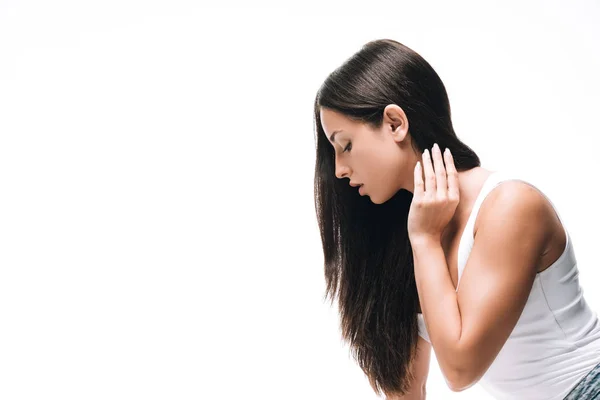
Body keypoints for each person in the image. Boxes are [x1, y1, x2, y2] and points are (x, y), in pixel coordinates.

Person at [312, 38, 600, 399]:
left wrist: (426, 240)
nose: (338, 169)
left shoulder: (510, 206)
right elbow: (406, 389)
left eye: (346, 145)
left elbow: (460, 368)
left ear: (395, 123)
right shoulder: (403, 237)